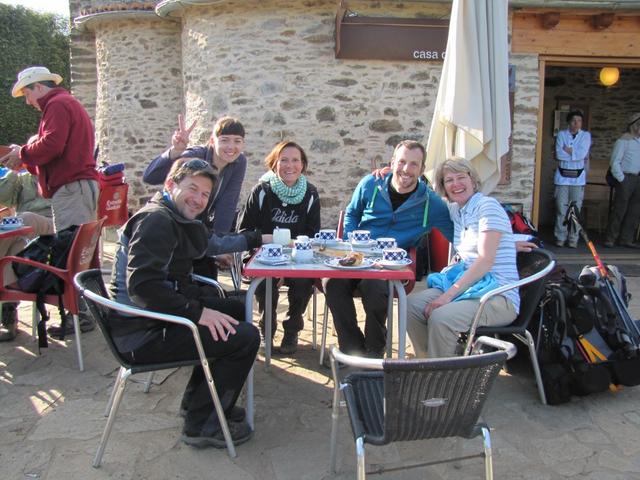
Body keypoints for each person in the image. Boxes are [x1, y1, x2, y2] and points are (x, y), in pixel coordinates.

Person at [109, 158, 259, 448]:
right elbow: (143, 287)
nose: (198, 199)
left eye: (205, 194)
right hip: (142, 334)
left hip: (154, 319)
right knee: (245, 337)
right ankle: (202, 425)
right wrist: (198, 312)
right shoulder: (156, 220)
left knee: (238, 307)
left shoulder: (172, 217)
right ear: (170, 185)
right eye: (192, 188)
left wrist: (201, 308)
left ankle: (198, 401)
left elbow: (202, 250)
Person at [323, 140, 453, 360]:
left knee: (374, 287)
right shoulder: (370, 184)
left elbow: (458, 234)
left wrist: (500, 242)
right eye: (401, 162)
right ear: (392, 162)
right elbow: (352, 214)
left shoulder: (431, 203)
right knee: (331, 282)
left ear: (422, 170)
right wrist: (351, 243)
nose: (406, 169)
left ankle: (374, 349)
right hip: (357, 258)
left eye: (414, 164)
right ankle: (351, 346)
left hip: (389, 267)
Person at [407, 158, 519, 358]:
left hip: (498, 295)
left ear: (473, 180)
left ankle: (443, 378)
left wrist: (446, 297)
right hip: (470, 288)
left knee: (441, 317)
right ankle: (426, 363)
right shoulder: (457, 210)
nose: (456, 184)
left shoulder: (487, 206)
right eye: (449, 180)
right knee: (410, 306)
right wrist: (393, 173)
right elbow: (424, 194)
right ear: (444, 187)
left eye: (461, 177)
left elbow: (485, 260)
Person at [237, 141, 320, 355]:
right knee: (265, 283)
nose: (289, 165)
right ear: (274, 163)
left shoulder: (310, 194)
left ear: (303, 165)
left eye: (295, 160)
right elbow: (244, 230)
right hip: (263, 255)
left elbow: (312, 234)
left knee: (303, 282)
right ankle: (267, 330)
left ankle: (292, 330)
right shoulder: (262, 191)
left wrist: (290, 260)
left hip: (298, 257)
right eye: (283, 160)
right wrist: (267, 245)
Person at [0, 66, 99, 233]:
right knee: (77, 250)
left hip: (71, 188)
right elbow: (56, 152)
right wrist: (24, 161)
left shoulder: (57, 104)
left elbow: (51, 145)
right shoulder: (64, 102)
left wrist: (21, 153)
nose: (27, 101)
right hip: (76, 187)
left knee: (69, 248)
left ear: (38, 87)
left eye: (27, 94)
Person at [144, 115, 246, 235]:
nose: (231, 147)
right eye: (224, 140)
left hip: (195, 227)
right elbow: (150, 177)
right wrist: (175, 151)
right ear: (213, 141)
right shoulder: (195, 156)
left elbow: (227, 204)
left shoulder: (239, 162)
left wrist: (221, 245)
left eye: (237, 141)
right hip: (169, 222)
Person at [0, 168, 54, 341]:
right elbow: (3, 198)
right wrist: (12, 172)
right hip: (22, 232)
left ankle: (8, 306)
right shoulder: (22, 178)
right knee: (13, 249)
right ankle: (9, 308)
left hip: (47, 223)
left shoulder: (55, 173)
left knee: (25, 218)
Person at [553, 110, 591, 248]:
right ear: (569, 122)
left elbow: (582, 154)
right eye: (574, 120)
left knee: (575, 209)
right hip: (562, 177)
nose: (576, 123)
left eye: (579, 121)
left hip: (578, 178)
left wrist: (569, 150)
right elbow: (559, 154)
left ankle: (573, 238)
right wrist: (573, 153)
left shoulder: (585, 136)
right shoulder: (562, 135)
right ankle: (560, 236)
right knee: (561, 208)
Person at [604, 112, 640, 249]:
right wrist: (622, 179)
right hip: (626, 178)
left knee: (634, 211)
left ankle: (626, 238)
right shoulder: (623, 141)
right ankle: (610, 238)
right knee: (619, 209)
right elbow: (615, 162)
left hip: (638, 178)